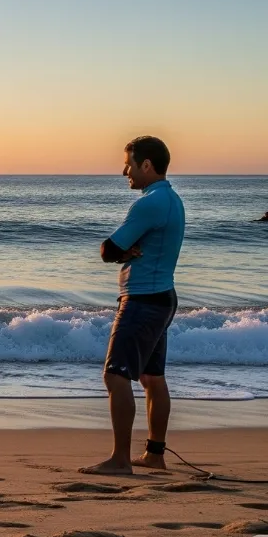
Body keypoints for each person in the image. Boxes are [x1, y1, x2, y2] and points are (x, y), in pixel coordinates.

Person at [80, 136, 184, 476]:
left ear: (147, 165)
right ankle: (155, 454)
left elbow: (108, 249)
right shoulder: (172, 199)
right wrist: (125, 252)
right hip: (163, 296)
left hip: (142, 300)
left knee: (115, 376)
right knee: (152, 377)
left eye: (129, 163)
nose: (125, 170)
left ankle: (120, 460)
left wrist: (120, 253)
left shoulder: (149, 203)